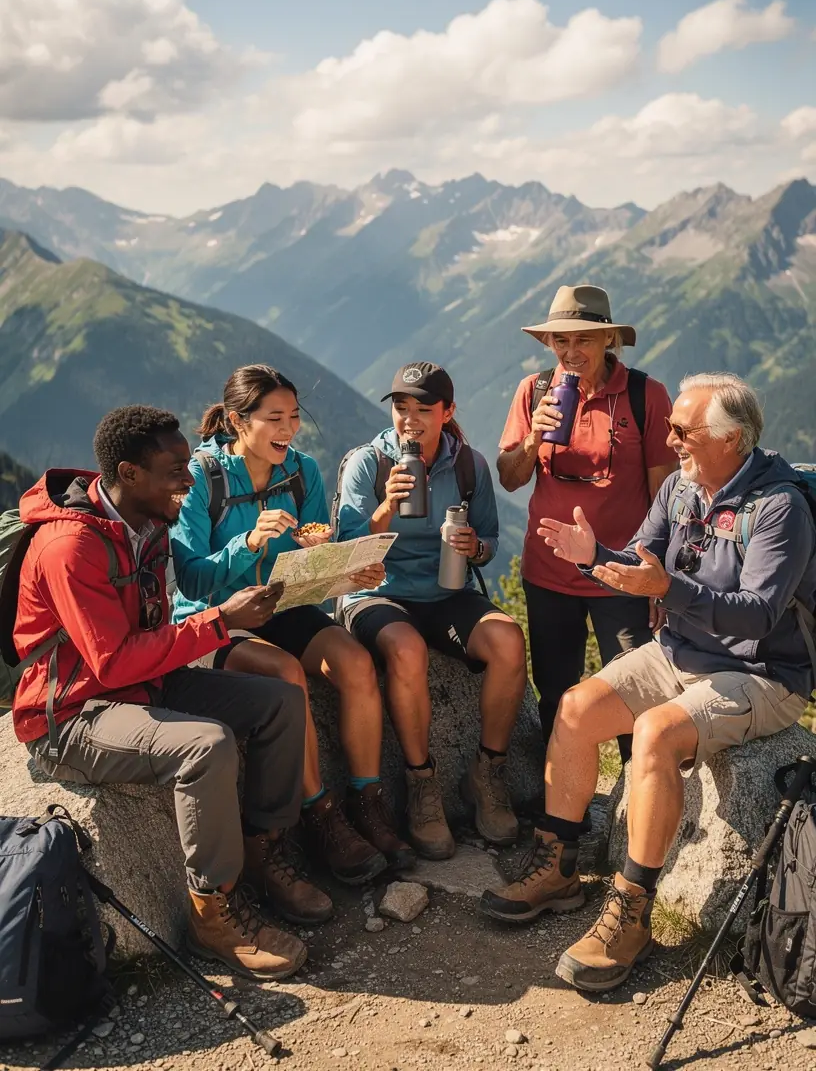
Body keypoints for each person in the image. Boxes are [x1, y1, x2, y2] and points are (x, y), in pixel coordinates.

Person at [482, 373, 816, 994]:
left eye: (683, 431)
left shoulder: (779, 508)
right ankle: (559, 864)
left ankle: (632, 909)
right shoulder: (681, 490)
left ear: (733, 438)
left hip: (761, 673)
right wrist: (594, 555)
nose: (670, 440)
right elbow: (644, 561)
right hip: (680, 651)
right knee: (578, 706)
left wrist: (668, 589)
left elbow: (758, 614)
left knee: (656, 730)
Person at [12, 405, 312, 981]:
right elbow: (111, 658)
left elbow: (153, 629)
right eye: (175, 468)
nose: (189, 478)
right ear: (128, 474)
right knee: (205, 745)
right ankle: (213, 915)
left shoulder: (145, 525)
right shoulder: (71, 547)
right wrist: (221, 622)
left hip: (137, 686)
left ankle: (261, 851)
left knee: (278, 700)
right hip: (71, 714)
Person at [171, 364, 413, 906]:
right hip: (220, 617)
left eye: (295, 417)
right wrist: (249, 544)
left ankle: (367, 801)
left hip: (283, 603)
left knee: (353, 661)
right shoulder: (203, 478)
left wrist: (353, 571)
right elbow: (189, 577)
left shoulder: (301, 471)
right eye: (274, 418)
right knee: (284, 676)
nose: (290, 429)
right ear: (237, 421)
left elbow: (314, 556)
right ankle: (320, 816)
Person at [336, 361, 528, 860]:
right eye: (402, 408)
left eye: (424, 409)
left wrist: (472, 547)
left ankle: (487, 774)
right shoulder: (368, 463)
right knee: (406, 647)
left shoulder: (470, 465)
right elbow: (342, 553)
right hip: (377, 594)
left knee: (508, 639)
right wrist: (385, 507)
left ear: (447, 412)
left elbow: (489, 539)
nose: (411, 420)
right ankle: (423, 785)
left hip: (445, 591)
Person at [497, 284, 676, 758]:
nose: (571, 352)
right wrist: (534, 437)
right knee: (555, 692)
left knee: (634, 695)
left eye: (584, 340)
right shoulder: (533, 392)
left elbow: (668, 496)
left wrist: (662, 581)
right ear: (548, 343)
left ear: (608, 341)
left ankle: (634, 807)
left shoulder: (646, 395)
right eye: (561, 341)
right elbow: (510, 478)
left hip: (621, 575)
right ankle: (562, 807)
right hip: (549, 573)